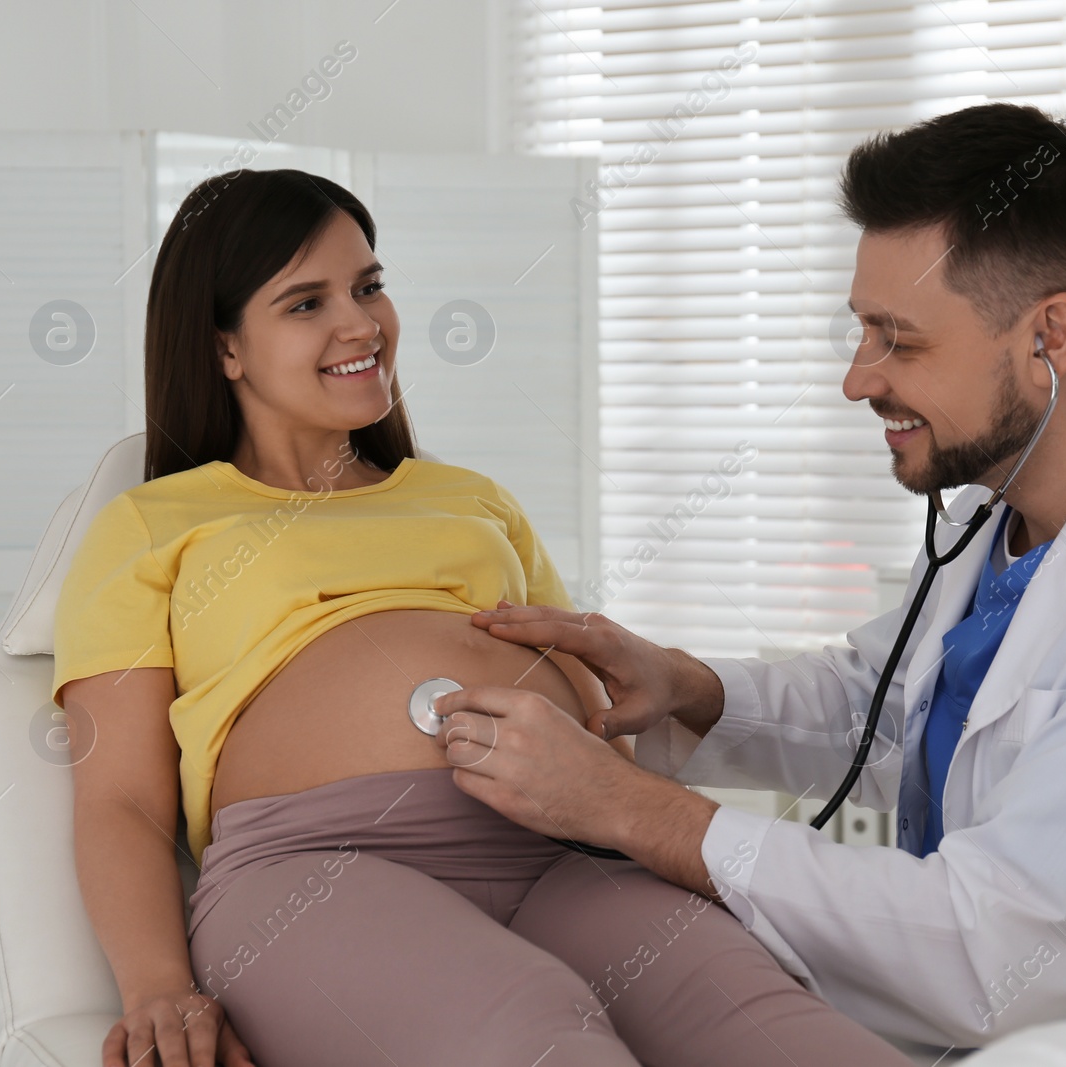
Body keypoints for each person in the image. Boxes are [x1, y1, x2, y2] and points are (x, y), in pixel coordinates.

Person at [433, 102, 1066, 1051]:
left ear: (1049, 338)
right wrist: (691, 687)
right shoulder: (1002, 516)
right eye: (863, 330)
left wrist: (631, 808)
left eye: (901, 339)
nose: (858, 378)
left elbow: (1007, 943)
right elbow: (885, 706)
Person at [51, 168, 920, 1067]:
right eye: (306, 303)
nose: (361, 324)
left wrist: (644, 831)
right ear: (226, 347)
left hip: (555, 851)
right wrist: (159, 984)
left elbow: (589, 694)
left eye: (370, 286)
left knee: (786, 1032)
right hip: (314, 867)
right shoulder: (153, 524)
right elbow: (118, 797)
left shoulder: (472, 499)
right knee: (539, 1035)